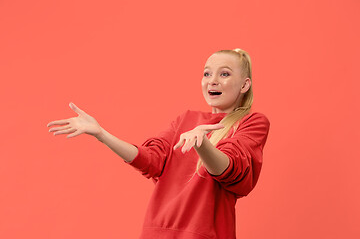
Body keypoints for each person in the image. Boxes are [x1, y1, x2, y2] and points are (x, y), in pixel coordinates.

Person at [47, 48, 270, 239]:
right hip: (157, 232)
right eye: (207, 73)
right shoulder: (185, 119)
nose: (212, 80)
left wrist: (202, 143)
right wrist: (101, 133)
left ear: (244, 85)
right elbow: (150, 160)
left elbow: (231, 170)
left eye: (224, 74)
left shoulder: (251, 122)